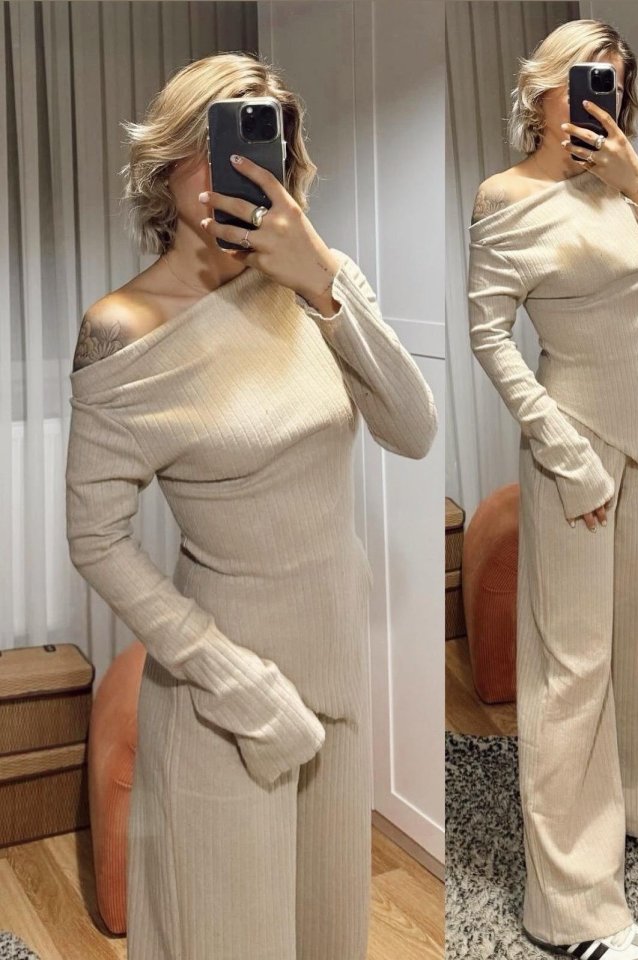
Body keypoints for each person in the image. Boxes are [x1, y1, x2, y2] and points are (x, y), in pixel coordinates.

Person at [66, 52, 438, 960]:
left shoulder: (319, 282)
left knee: (325, 932)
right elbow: (96, 538)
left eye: (260, 139)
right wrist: (230, 677)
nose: (235, 166)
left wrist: (321, 284)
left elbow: (413, 428)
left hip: (336, 666)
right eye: (212, 141)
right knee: (229, 936)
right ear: (165, 163)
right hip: (221, 696)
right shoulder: (121, 328)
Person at [467, 19, 638, 960]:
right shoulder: (504, 197)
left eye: (613, 80)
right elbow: (489, 337)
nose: (600, 95)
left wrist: (637, 184)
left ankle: (636, 807)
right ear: (541, 90)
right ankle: (566, 910)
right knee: (571, 668)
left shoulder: (625, 184)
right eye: (582, 78)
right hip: (570, 439)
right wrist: (563, 452)